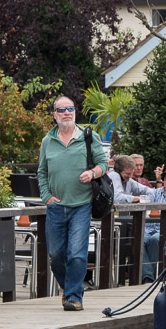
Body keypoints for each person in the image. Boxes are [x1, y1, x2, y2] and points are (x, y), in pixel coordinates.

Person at [37, 96, 109, 311]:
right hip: (56, 206)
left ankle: (74, 297)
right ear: (55, 115)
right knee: (56, 256)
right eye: (62, 109)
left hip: (82, 204)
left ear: (75, 112)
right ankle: (68, 289)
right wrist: (46, 195)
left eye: (70, 109)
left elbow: (104, 164)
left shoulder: (88, 136)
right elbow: (42, 172)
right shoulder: (47, 141)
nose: (67, 112)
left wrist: (92, 172)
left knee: (77, 254)